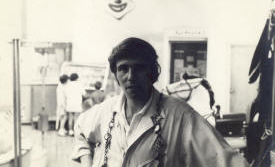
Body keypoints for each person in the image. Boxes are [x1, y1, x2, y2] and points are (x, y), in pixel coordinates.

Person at [72, 37, 249, 167]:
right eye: (123, 69)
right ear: (116, 74)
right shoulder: (106, 110)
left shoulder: (180, 115)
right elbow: (80, 130)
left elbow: (226, 161)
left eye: (139, 68)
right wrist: (88, 162)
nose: (130, 77)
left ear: (152, 72)